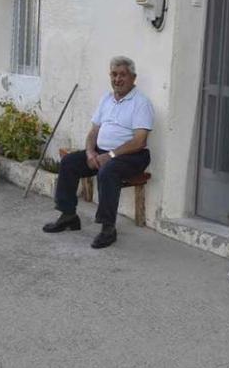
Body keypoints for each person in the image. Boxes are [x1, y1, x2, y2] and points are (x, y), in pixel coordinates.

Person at [42, 56, 154, 249]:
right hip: (102, 152)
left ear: (133, 78)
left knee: (107, 171)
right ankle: (68, 215)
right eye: (114, 74)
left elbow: (139, 140)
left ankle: (108, 228)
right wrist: (90, 153)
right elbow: (94, 131)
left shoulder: (141, 102)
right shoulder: (106, 99)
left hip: (132, 156)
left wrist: (110, 155)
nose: (117, 79)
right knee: (69, 162)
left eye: (123, 75)